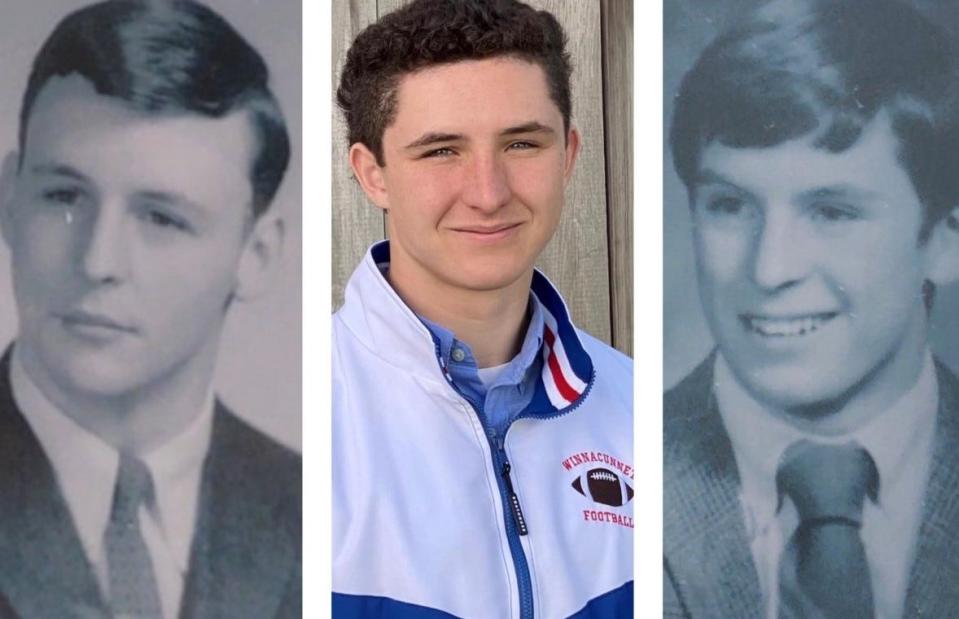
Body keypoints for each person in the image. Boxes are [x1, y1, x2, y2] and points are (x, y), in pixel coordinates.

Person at [332, 0, 634, 617]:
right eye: (441, 151)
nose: (489, 193)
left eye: (522, 143)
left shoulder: (641, 410)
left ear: (569, 155)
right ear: (373, 174)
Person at [0, 1, 300, 617]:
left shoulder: (312, 504)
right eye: (63, 196)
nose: (97, 261)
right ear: (8, 198)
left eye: (161, 217)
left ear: (256, 253)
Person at [664, 0, 959, 617]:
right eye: (731, 205)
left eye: (833, 211)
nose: (771, 270)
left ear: (944, 239)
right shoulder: (624, 466)